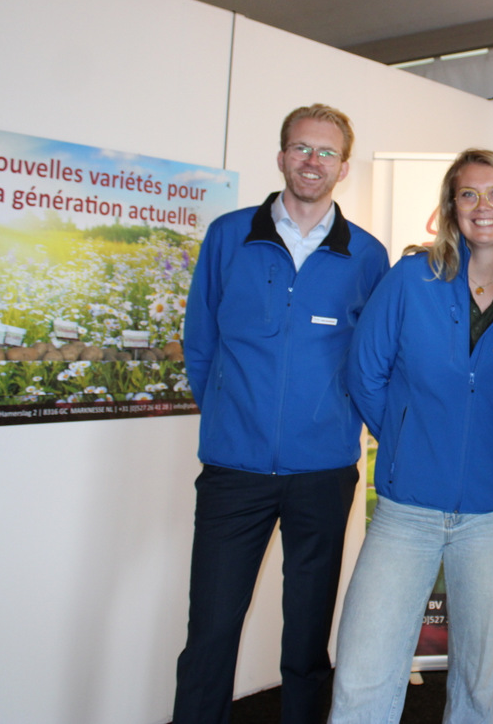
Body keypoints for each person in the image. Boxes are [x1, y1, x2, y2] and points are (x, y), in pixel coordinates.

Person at [174, 104, 390, 724]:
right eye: (301, 148)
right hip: (233, 472)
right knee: (211, 632)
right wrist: (226, 416)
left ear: (343, 166)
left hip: (322, 473)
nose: (312, 162)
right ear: (281, 156)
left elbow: (373, 359)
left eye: (326, 152)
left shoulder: (367, 256)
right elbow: (200, 341)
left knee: (306, 640)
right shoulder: (229, 236)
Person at [328, 148, 493, 724]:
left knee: (476, 678)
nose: (482, 205)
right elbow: (365, 372)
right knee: (364, 667)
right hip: (407, 509)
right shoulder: (412, 277)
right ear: (451, 207)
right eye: (468, 193)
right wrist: (405, 440)